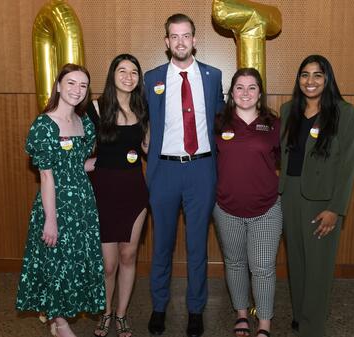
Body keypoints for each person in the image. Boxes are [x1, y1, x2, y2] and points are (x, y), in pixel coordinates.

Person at [144, 13, 224, 337]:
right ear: (166, 42)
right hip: (163, 170)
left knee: (196, 247)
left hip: (201, 169)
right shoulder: (151, 78)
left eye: (185, 36)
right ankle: (159, 306)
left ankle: (195, 310)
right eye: (174, 36)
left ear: (194, 39)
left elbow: (222, 120)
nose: (180, 42)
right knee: (161, 245)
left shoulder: (213, 75)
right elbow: (139, 117)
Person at [16, 63, 105, 337]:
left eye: (82, 85)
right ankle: (61, 323)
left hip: (83, 204)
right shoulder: (44, 125)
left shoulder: (84, 122)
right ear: (58, 86)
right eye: (71, 83)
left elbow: (80, 165)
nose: (77, 90)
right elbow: (46, 176)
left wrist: (113, 162)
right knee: (55, 262)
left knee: (73, 262)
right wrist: (50, 220)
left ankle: (58, 318)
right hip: (55, 204)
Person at [279, 55, 354, 337]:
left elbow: (348, 164)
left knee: (319, 268)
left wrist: (336, 208)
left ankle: (313, 328)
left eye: (317, 75)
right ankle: (301, 316)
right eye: (304, 75)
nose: (309, 81)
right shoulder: (288, 110)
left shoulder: (344, 112)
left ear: (327, 80)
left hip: (322, 201)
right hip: (289, 196)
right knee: (297, 263)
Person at [213, 68, 281, 337]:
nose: (245, 93)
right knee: (235, 263)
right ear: (231, 93)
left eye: (251, 87)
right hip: (226, 208)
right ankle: (241, 314)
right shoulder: (219, 122)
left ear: (260, 93)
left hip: (266, 208)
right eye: (239, 87)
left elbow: (283, 161)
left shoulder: (273, 124)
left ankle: (264, 323)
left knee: (263, 267)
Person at [87, 54, 149, 337]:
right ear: (112, 75)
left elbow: (149, 146)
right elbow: (79, 143)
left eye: (134, 71)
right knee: (108, 263)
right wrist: (81, 163)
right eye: (122, 70)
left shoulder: (143, 108)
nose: (128, 76)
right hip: (103, 191)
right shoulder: (96, 108)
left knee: (128, 254)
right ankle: (105, 312)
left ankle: (121, 314)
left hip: (134, 191)